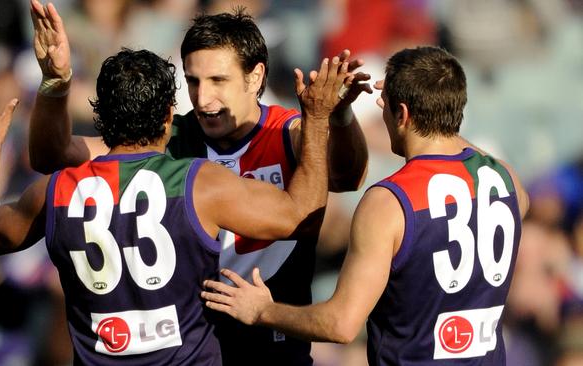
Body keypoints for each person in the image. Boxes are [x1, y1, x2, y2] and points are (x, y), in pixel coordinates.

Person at [26, 1, 371, 364]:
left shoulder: (288, 133)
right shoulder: (164, 139)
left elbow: (347, 177)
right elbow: (52, 155)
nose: (203, 99)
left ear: (255, 77)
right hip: (190, 345)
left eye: (218, 81)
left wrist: (342, 114)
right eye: (193, 81)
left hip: (271, 339)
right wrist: (54, 79)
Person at [201, 46, 531, 365]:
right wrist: (436, 109)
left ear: (401, 113)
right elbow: (461, 148)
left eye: (383, 103)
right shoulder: (506, 182)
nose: (380, 109)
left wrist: (262, 310)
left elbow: (341, 324)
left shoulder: (388, 202)